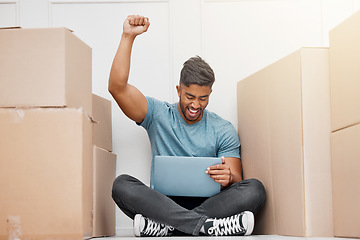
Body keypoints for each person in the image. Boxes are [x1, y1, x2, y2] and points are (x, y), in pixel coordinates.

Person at [109, 15, 266, 237]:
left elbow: (237, 178)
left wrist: (228, 177)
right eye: (190, 96)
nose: (195, 105)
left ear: (210, 93)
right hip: (163, 204)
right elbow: (117, 87)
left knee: (255, 189)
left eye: (203, 98)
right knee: (121, 185)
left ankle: (169, 228)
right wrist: (127, 37)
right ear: (178, 90)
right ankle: (205, 227)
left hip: (211, 204)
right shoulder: (158, 114)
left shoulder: (222, 128)